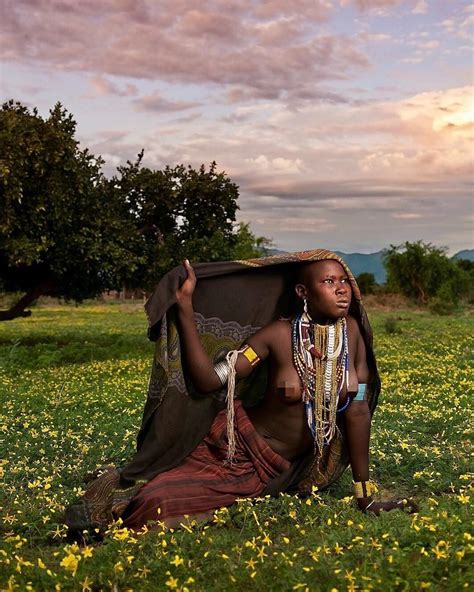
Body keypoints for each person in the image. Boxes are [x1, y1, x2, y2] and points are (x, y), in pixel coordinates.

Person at [65, 250, 416, 539]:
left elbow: (357, 412)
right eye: (328, 282)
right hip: (233, 449)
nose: (342, 290)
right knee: (158, 503)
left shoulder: (352, 335)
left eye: (344, 282)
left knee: (185, 508)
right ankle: (104, 506)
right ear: (303, 293)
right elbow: (209, 381)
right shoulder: (277, 336)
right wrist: (185, 309)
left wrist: (364, 496)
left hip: (279, 468)